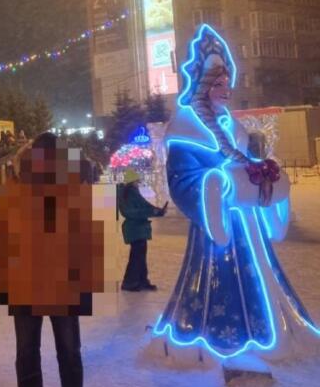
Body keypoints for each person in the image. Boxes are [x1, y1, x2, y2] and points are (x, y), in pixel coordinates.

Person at [154, 25, 319, 359]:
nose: (225, 90)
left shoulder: (231, 125)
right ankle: (219, 334)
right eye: (217, 83)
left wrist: (266, 175)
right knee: (217, 280)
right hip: (218, 232)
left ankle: (272, 327)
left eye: (227, 82)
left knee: (263, 274)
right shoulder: (185, 126)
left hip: (249, 225)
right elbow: (183, 178)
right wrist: (217, 185)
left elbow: (248, 163)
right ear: (202, 87)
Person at [0, 133, 99, 387]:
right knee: (27, 355)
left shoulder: (76, 185)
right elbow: (8, 233)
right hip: (26, 280)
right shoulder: (18, 185)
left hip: (64, 280)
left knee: (69, 354)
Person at [118, 169, 166, 291]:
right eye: (136, 181)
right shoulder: (127, 193)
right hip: (135, 228)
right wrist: (153, 211)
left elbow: (144, 205)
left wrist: (157, 211)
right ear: (132, 181)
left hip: (139, 228)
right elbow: (130, 212)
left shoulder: (132, 192)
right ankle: (130, 283)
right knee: (136, 256)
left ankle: (141, 280)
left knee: (140, 256)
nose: (137, 183)